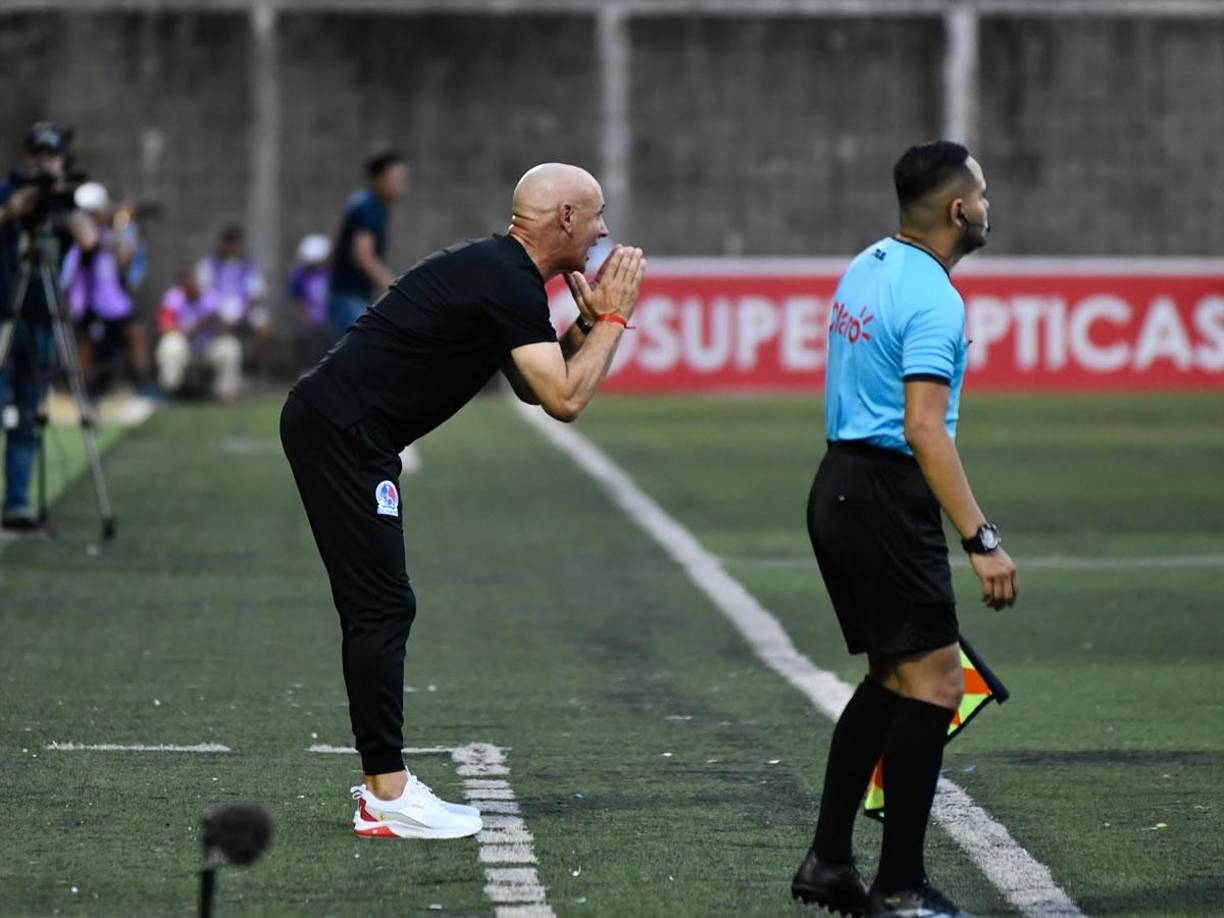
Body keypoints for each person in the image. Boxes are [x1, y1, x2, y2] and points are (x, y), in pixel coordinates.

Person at [281, 163, 644, 840]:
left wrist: (586, 329)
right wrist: (615, 320)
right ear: (564, 217)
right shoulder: (504, 277)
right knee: (381, 606)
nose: (603, 230)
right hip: (342, 434)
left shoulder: (501, 273)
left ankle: (384, 789)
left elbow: (537, 387)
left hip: (345, 430)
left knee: (383, 604)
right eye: (595, 215)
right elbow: (566, 400)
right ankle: (384, 795)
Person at [791, 141, 1019, 918]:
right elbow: (925, 428)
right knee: (937, 684)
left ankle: (829, 862)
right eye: (982, 195)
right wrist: (981, 540)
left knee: (895, 679)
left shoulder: (869, 264)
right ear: (958, 210)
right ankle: (902, 886)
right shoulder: (936, 298)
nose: (988, 207)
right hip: (886, 497)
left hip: (840, 488)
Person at [0, 122, 97, 532]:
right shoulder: (9, 191)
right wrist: (13, 210)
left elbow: (89, 239)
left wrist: (63, 199)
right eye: (38, 156)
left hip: (42, 317)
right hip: (5, 313)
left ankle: (18, 504)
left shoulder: (63, 203)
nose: (44, 164)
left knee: (28, 414)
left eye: (51, 156)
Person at [60, 182, 150, 396]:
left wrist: (125, 224)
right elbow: (88, 244)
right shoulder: (80, 234)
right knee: (88, 345)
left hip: (114, 304)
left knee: (136, 334)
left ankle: (142, 384)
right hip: (89, 304)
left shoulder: (109, 234)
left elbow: (124, 257)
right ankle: (81, 389)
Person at [326, 150, 407, 340]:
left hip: (346, 294)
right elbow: (362, 254)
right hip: (349, 296)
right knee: (360, 353)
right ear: (379, 179)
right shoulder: (369, 208)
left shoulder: (364, 203)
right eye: (397, 178)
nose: (401, 185)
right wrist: (394, 285)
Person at [155, 265, 242, 402]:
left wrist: (217, 322)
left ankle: (226, 392)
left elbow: (228, 324)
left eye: (194, 283)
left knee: (230, 346)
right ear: (182, 285)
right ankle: (171, 391)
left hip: (207, 345)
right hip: (184, 346)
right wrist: (186, 328)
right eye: (188, 284)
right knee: (170, 345)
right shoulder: (173, 298)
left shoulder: (211, 297)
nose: (193, 286)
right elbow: (164, 327)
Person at [287, 233, 332, 368]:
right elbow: (296, 300)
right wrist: (305, 317)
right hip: (310, 320)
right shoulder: (300, 274)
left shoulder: (331, 273)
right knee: (307, 336)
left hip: (330, 318)